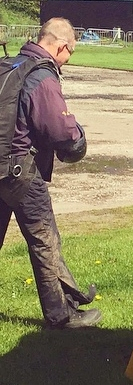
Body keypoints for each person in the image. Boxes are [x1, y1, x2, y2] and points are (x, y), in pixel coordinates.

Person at [0, 17, 101, 329]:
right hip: (19, 172)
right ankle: (63, 315)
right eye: (70, 52)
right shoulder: (42, 76)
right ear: (61, 46)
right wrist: (78, 137)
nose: (67, 60)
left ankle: (69, 302)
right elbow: (60, 130)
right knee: (45, 240)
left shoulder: (8, 65)